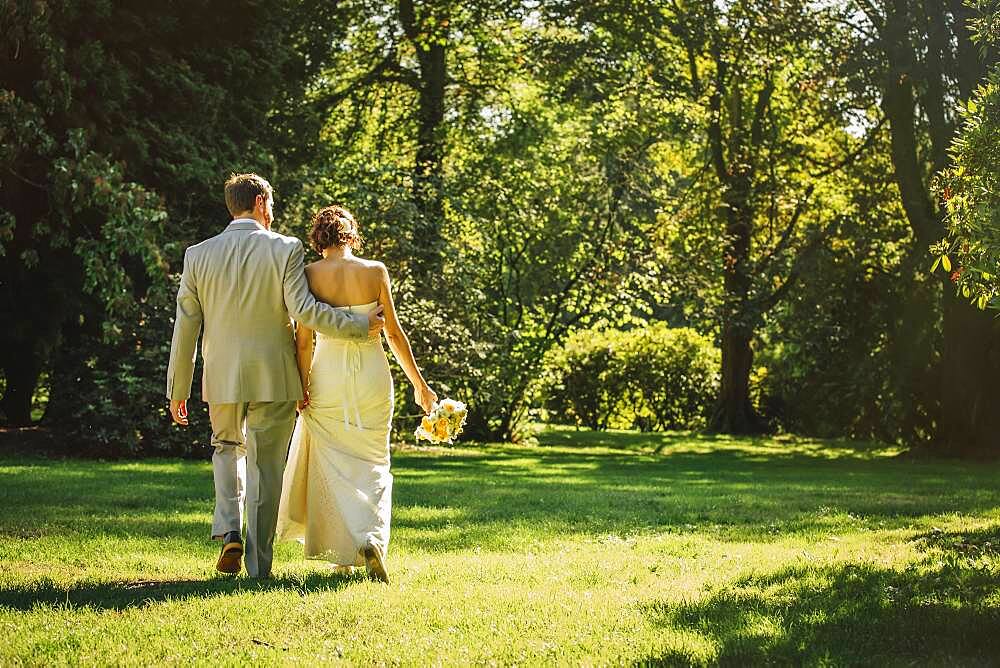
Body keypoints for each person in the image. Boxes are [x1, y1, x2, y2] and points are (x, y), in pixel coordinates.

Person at [165, 174, 385, 578]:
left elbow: (186, 326)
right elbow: (305, 312)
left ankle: (229, 527)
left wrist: (177, 387)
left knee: (226, 447)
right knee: (266, 467)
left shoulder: (198, 254)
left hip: (222, 374)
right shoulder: (285, 248)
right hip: (275, 374)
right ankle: (258, 566)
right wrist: (358, 326)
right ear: (262, 203)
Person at [276, 205, 436, 583]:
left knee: (332, 465)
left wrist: (302, 385)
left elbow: (303, 340)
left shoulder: (308, 274)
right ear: (352, 235)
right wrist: (420, 385)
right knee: (374, 461)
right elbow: (393, 334)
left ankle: (346, 554)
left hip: (327, 373)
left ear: (319, 238)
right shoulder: (375, 270)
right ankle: (370, 539)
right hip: (372, 374)